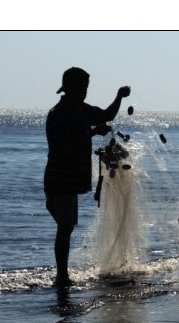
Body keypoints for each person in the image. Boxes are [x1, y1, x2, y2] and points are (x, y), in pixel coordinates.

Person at [44, 67, 130, 287]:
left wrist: (119, 96)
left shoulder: (80, 109)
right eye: (82, 87)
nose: (85, 92)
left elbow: (105, 115)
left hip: (70, 179)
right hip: (59, 178)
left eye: (86, 87)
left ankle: (62, 275)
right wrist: (92, 133)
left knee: (68, 226)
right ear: (70, 88)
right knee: (65, 226)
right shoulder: (59, 113)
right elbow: (65, 145)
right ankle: (61, 276)